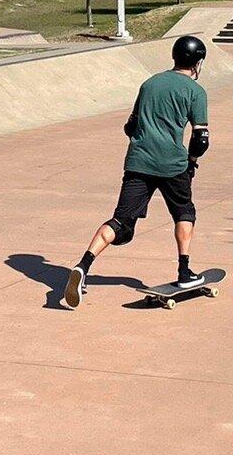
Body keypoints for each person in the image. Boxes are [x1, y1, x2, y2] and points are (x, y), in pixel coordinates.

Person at [62, 34, 210, 309]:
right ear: (198, 63)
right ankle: (184, 271)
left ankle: (83, 265)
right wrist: (190, 160)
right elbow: (201, 139)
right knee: (184, 212)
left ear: (174, 57)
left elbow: (130, 127)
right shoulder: (195, 92)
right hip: (172, 165)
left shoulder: (149, 84)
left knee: (122, 223)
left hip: (138, 162)